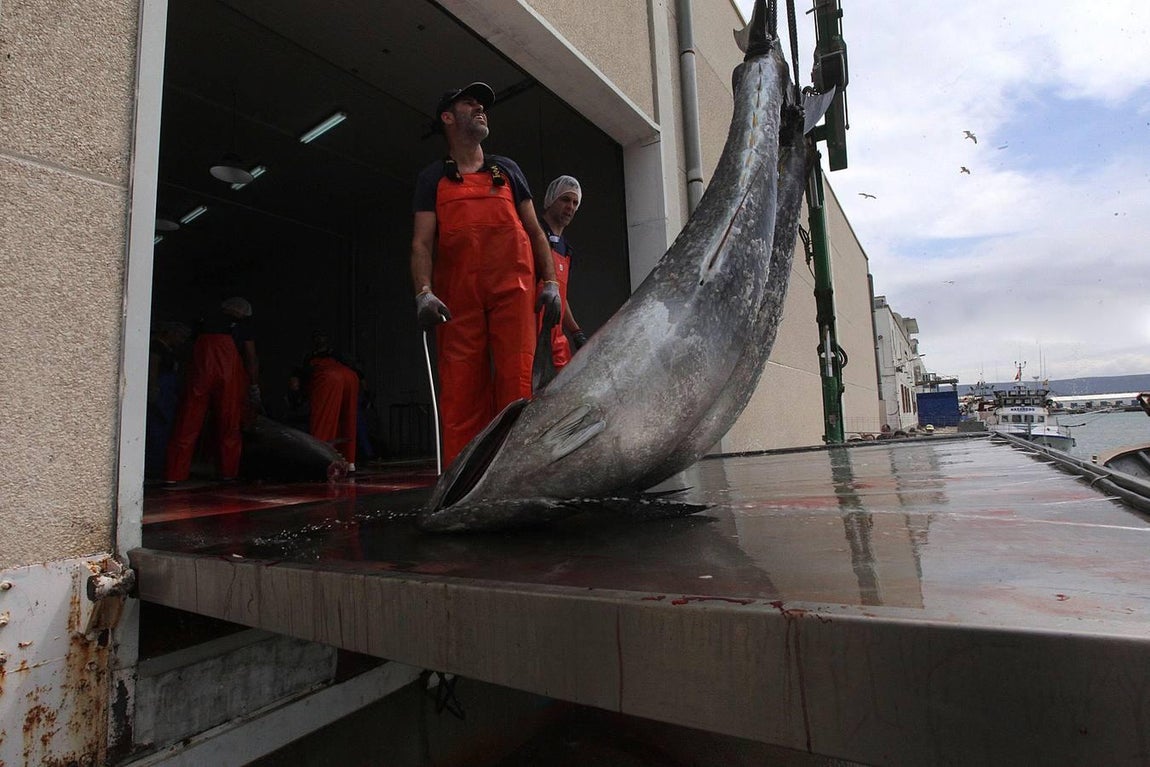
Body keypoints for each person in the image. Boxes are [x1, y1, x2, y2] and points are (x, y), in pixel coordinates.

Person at [410, 81, 562, 466]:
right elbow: (422, 244)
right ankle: (464, 483)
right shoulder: (432, 179)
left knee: (518, 385)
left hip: (514, 291)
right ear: (447, 117)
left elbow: (534, 231)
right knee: (461, 392)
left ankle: (519, 473)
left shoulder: (507, 170)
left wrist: (551, 283)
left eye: (483, 105)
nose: (480, 108)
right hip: (458, 297)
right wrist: (423, 292)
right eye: (469, 103)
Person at [164, 296, 260, 484]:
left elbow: (187, 353)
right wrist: (254, 385)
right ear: (243, 312)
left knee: (187, 422)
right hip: (228, 376)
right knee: (229, 424)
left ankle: (174, 475)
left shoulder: (202, 323)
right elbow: (251, 358)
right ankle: (228, 473)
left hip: (200, 374)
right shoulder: (242, 327)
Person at [538, 175, 590, 370]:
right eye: (565, 200)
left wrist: (576, 332)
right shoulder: (533, 234)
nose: (571, 207)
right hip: (531, 333)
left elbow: (561, 295)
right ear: (551, 199)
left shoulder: (566, 250)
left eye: (575, 203)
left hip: (556, 337)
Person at [304, 332, 360, 471]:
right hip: (350, 377)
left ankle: (321, 460)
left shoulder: (310, 359)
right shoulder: (339, 356)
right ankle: (348, 460)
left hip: (328, 377)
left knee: (324, 418)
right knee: (348, 418)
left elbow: (296, 383)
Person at [144, 320, 192, 479]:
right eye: (180, 336)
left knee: (166, 431)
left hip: (169, 392)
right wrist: (153, 389)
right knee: (156, 430)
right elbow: (153, 368)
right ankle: (152, 469)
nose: (181, 340)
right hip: (160, 391)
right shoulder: (157, 347)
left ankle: (160, 467)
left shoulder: (169, 350)